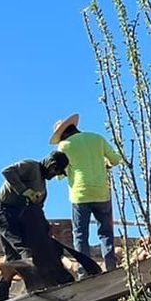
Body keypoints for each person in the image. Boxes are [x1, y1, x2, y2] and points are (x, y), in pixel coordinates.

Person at [0, 151, 93, 301]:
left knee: (13, 257)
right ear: (51, 164)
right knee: (24, 249)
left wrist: (44, 229)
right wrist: (24, 190)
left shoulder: (43, 188)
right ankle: (34, 289)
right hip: (3, 212)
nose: (55, 175)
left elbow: (37, 210)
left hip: (18, 216)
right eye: (56, 171)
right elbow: (7, 171)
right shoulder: (31, 166)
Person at [51, 114, 124, 272]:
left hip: (80, 194)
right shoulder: (97, 138)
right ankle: (111, 266)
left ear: (62, 134)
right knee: (105, 232)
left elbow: (59, 174)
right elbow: (116, 160)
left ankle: (86, 271)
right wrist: (105, 165)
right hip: (101, 192)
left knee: (80, 234)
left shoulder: (64, 146)